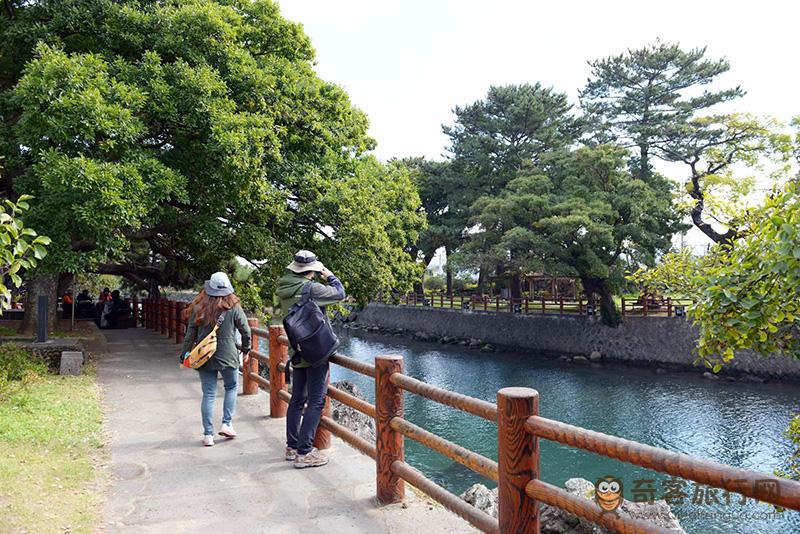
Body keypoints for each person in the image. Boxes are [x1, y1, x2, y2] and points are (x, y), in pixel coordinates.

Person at [273, 250, 345, 468]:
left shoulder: (284, 287)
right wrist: (329, 275)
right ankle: (304, 454)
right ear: (311, 270)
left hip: (297, 348)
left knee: (296, 400)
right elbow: (339, 293)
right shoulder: (311, 288)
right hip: (315, 349)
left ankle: (292, 447)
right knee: (315, 401)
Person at [180, 273, 251, 447]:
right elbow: (246, 331)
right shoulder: (233, 306)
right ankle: (227, 423)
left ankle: (208, 435)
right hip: (228, 354)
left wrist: (184, 355)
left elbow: (190, 335)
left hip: (204, 355)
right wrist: (246, 349)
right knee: (231, 387)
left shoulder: (198, 307)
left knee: (209, 394)